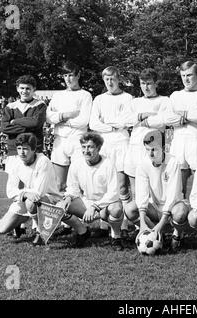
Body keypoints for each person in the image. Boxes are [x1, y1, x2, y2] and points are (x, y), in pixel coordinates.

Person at [0, 133, 89, 247]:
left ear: (34, 149)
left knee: (32, 202)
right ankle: (24, 222)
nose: (22, 152)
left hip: (50, 198)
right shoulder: (15, 163)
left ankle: (41, 231)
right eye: (19, 149)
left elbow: (39, 192)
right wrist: (24, 193)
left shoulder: (43, 161)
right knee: (1, 229)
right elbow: (10, 191)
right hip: (25, 198)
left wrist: (25, 194)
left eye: (25, 149)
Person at [46, 61, 93, 235]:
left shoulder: (85, 95)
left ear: (78, 75)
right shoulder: (58, 95)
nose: (68, 79)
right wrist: (67, 115)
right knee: (59, 184)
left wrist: (61, 119)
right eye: (65, 76)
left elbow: (84, 120)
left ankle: (83, 221)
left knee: (78, 183)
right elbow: (49, 117)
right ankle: (65, 222)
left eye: (71, 75)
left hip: (77, 140)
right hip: (60, 140)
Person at [56, 132, 125, 250]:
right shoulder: (76, 164)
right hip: (86, 204)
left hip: (104, 206)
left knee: (117, 208)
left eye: (90, 147)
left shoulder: (108, 164)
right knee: (60, 206)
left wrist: (95, 207)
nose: (86, 151)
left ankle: (116, 237)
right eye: (83, 147)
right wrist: (68, 198)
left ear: (98, 148)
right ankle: (82, 232)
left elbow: (113, 193)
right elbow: (72, 188)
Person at [124, 130, 190, 253]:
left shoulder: (173, 162)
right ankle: (151, 231)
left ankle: (177, 234)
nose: (151, 153)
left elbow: (173, 195)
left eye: (154, 149)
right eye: (147, 149)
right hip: (154, 207)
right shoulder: (143, 164)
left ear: (164, 147)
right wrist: (142, 223)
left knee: (180, 213)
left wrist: (162, 223)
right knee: (129, 209)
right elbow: (142, 194)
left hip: (173, 207)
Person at [89, 66, 134, 238]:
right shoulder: (99, 99)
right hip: (104, 144)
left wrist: (110, 124)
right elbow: (94, 123)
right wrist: (113, 125)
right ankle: (103, 223)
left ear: (118, 78)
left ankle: (123, 224)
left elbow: (127, 121)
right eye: (106, 79)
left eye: (112, 79)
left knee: (122, 185)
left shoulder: (128, 97)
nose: (109, 82)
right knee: (104, 183)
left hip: (122, 143)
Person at [0, 75, 47, 238]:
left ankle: (35, 224)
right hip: (14, 152)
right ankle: (18, 225)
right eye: (22, 88)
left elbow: (36, 124)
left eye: (28, 88)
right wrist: (23, 125)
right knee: (18, 188)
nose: (25, 91)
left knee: (34, 187)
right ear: (17, 89)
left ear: (34, 90)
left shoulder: (40, 104)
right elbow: (4, 128)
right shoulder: (10, 106)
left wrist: (15, 122)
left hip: (35, 150)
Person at [168, 61, 197, 198]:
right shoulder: (175, 95)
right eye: (183, 76)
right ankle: (179, 214)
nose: (186, 79)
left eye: (189, 75)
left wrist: (181, 114)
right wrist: (191, 114)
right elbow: (168, 118)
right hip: (178, 141)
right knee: (177, 185)